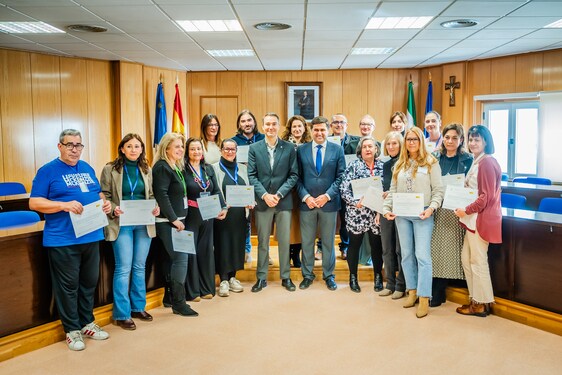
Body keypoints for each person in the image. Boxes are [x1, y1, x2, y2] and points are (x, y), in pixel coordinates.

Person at [29, 129, 112, 351]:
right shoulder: (48, 171)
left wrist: (104, 203)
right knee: (68, 287)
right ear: (60, 146)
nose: (75, 149)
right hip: (63, 239)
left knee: (89, 283)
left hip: (91, 235)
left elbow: (98, 193)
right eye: (70, 145)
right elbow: (34, 203)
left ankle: (87, 323)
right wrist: (62, 205)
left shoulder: (87, 168)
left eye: (78, 145)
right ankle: (72, 330)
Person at [100, 134, 160, 330]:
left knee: (139, 266)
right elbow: (105, 195)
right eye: (129, 146)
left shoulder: (146, 169)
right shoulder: (111, 169)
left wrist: (156, 206)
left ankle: (138, 307)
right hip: (121, 222)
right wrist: (113, 207)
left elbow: (151, 194)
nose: (134, 149)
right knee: (123, 267)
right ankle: (122, 313)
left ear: (142, 149)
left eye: (137, 146)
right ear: (122, 149)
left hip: (143, 221)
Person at [382, 126, 444, 318]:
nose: (411, 142)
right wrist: (386, 209)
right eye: (408, 139)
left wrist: (431, 208)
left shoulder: (431, 162)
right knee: (407, 255)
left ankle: (424, 297)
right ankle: (412, 292)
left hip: (423, 214)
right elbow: (392, 190)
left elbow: (438, 191)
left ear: (421, 141)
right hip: (402, 215)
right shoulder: (400, 164)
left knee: (422, 256)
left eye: (414, 139)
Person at [454, 125, 502, 317]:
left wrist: (465, 210)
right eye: (471, 139)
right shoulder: (477, 161)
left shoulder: (487, 163)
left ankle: (481, 304)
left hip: (480, 218)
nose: (473, 143)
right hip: (472, 219)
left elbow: (485, 197)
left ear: (486, 142)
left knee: (478, 261)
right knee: (467, 259)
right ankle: (475, 299)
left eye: (477, 140)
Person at [248, 112, 298, 292]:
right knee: (262, 242)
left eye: (274, 124)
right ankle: (261, 277)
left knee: (284, 241)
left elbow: (293, 175)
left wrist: (279, 194)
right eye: (267, 124)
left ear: (279, 126)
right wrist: (264, 195)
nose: (270, 127)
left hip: (283, 202)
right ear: (262, 127)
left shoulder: (289, 148)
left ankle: (286, 277)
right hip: (263, 202)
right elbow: (252, 176)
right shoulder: (254, 148)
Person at [296, 116, 346, 291]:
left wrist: (327, 195)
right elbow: (297, 178)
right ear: (311, 130)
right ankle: (307, 275)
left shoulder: (337, 150)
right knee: (307, 241)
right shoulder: (301, 150)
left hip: (329, 204)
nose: (319, 133)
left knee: (328, 242)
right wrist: (306, 197)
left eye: (322, 130)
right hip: (307, 204)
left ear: (328, 130)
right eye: (316, 130)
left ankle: (329, 275)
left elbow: (341, 177)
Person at [152, 132, 198, 317]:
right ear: (166, 148)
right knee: (180, 259)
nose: (181, 149)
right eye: (177, 146)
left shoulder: (175, 166)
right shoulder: (162, 167)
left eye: (181, 146)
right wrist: (174, 219)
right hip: (168, 222)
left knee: (171, 260)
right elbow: (161, 195)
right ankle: (179, 303)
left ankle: (169, 298)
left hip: (177, 221)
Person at [430, 124, 473, 307]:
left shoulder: (468, 159)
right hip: (438, 208)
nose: (450, 141)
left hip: (457, 210)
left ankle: (453, 284)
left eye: (454, 138)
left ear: (461, 140)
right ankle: (437, 291)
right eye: (447, 137)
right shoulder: (434, 157)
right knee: (436, 250)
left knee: (454, 249)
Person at [184, 137, 227, 301]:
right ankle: (193, 291)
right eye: (193, 149)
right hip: (190, 215)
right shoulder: (183, 170)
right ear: (187, 152)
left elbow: (216, 189)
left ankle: (206, 288)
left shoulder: (208, 169)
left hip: (208, 214)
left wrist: (222, 207)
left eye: (199, 149)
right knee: (192, 252)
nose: (196, 152)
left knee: (206, 250)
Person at [339, 136, 384, 293]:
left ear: (376, 149)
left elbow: (387, 190)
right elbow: (344, 189)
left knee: (376, 247)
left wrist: (381, 210)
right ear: (360, 150)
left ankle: (378, 277)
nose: (368, 149)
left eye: (371, 146)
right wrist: (353, 202)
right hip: (357, 212)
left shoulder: (383, 167)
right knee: (354, 246)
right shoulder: (353, 166)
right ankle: (353, 277)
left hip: (376, 214)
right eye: (364, 146)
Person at [212, 139, 253, 297]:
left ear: (237, 151)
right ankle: (223, 279)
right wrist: (222, 205)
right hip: (223, 215)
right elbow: (213, 190)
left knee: (237, 245)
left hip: (240, 215)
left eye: (233, 149)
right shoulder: (214, 168)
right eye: (226, 149)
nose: (230, 152)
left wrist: (250, 202)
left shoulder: (243, 168)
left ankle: (233, 278)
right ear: (221, 150)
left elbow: (248, 188)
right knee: (223, 245)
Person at [232, 109, 264, 264]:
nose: (247, 124)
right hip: (241, 184)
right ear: (239, 124)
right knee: (245, 220)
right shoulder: (233, 141)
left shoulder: (263, 139)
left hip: (261, 184)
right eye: (243, 121)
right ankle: (245, 249)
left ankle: (265, 253)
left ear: (254, 122)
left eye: (249, 120)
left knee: (262, 219)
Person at [377, 131, 406, 299]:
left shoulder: (407, 163)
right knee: (387, 248)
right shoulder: (385, 165)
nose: (391, 146)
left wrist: (392, 194)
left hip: (402, 210)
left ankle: (401, 285)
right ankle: (390, 283)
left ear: (401, 145)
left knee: (400, 249)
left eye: (394, 143)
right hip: (386, 211)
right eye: (388, 144)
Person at [281, 114, 312, 267]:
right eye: (294, 126)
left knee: (301, 225)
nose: (297, 129)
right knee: (288, 224)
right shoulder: (284, 145)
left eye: (300, 126)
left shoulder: (310, 144)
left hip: (304, 190)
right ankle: (287, 254)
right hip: (287, 190)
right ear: (290, 129)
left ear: (304, 128)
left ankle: (296, 255)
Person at [330, 113, 360, 260]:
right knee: (326, 219)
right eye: (335, 122)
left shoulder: (355, 142)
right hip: (329, 186)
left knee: (346, 219)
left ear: (346, 125)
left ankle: (345, 247)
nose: (339, 125)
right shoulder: (326, 141)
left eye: (342, 122)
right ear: (331, 125)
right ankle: (322, 248)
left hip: (349, 188)